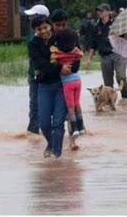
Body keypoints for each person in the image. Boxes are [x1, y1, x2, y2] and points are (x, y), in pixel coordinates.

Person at [28, 15, 71, 158]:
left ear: (50, 26)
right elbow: (41, 64)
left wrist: (68, 67)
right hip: (44, 85)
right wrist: (59, 67)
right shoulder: (33, 44)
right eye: (39, 29)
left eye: (45, 27)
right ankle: (51, 144)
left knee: (58, 122)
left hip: (61, 85)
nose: (43, 31)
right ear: (35, 30)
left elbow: (73, 56)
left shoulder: (60, 39)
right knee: (44, 123)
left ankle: (56, 155)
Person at [50, 28, 85, 148]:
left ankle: (74, 128)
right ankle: (81, 126)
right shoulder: (76, 52)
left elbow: (52, 61)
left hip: (67, 84)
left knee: (70, 108)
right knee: (77, 104)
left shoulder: (58, 54)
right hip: (78, 80)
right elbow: (81, 54)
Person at [86, 3, 127, 101]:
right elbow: (93, 44)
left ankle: (124, 98)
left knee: (121, 77)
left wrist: (121, 34)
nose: (99, 13)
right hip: (104, 56)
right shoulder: (96, 26)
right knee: (108, 83)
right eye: (98, 11)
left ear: (109, 12)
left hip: (118, 54)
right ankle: (110, 101)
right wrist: (89, 59)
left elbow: (125, 38)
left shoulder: (116, 24)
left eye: (102, 10)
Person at [24, 4, 50, 135]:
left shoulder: (52, 36)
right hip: (33, 76)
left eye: (33, 16)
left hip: (49, 75)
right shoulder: (31, 35)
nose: (30, 19)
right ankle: (33, 132)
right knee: (34, 104)